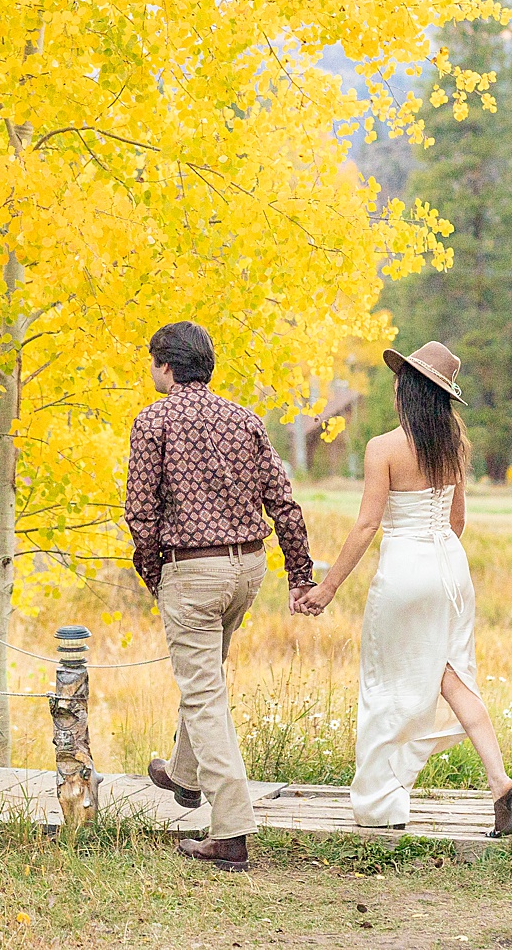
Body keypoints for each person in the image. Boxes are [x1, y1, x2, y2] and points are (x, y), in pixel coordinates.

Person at [293, 340, 512, 839]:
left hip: (404, 569)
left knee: (385, 683)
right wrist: (438, 554)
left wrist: (329, 587)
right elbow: (457, 521)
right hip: (449, 566)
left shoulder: (383, 448)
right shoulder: (455, 448)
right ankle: (501, 784)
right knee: (450, 674)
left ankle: (383, 803)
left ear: (408, 390)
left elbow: (365, 527)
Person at [125, 320, 315, 872]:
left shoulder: (153, 420)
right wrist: (298, 573)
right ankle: (184, 776)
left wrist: (154, 576)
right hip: (246, 570)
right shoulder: (244, 420)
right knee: (207, 675)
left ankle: (230, 829)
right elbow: (285, 503)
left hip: (193, 571)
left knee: (203, 693)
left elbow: (140, 511)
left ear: (165, 365)